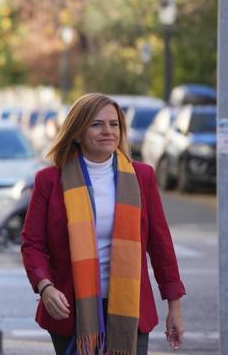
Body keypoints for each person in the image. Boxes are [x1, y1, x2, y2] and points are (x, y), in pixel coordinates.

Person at [21, 93, 186, 355]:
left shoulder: (142, 177)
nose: (108, 131)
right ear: (77, 133)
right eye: (96, 124)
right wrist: (46, 287)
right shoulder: (50, 180)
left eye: (114, 124)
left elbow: (161, 245)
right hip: (71, 309)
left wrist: (174, 308)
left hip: (130, 307)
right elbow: (32, 244)